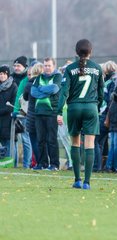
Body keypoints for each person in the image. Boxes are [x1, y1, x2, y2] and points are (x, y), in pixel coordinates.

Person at [57, 39, 104, 190]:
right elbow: (101, 93)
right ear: (91, 51)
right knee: (89, 145)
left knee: (75, 143)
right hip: (91, 107)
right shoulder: (97, 68)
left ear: (76, 52)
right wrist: (96, 107)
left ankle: (77, 180)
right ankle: (87, 182)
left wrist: (58, 111)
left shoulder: (70, 69)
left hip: (74, 108)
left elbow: (64, 92)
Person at [31, 58, 62, 171]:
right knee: (40, 140)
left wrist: (41, 88)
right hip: (39, 112)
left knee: (51, 139)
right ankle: (42, 163)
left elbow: (54, 89)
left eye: (49, 65)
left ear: (54, 66)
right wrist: (45, 93)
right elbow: (33, 92)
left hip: (51, 112)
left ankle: (54, 164)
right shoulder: (39, 77)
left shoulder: (58, 76)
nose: (47, 68)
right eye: (45, 65)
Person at [11, 56, 32, 168]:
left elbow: (21, 96)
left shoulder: (27, 79)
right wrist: (14, 110)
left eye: (18, 66)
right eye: (14, 65)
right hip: (14, 113)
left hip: (26, 113)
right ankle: (13, 163)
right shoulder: (11, 77)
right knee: (14, 140)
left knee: (25, 139)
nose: (16, 68)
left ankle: (26, 164)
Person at [23, 62, 43, 165]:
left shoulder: (29, 84)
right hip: (44, 115)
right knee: (44, 141)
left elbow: (25, 98)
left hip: (31, 115)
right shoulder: (46, 84)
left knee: (34, 140)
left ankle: (39, 163)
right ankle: (46, 162)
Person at [0, 65, 18, 157]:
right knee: (3, 142)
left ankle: (12, 162)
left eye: (3, 74)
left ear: (7, 75)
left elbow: (13, 105)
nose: (1, 76)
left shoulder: (13, 86)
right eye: (0, 74)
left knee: (10, 142)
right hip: (0, 120)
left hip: (9, 119)